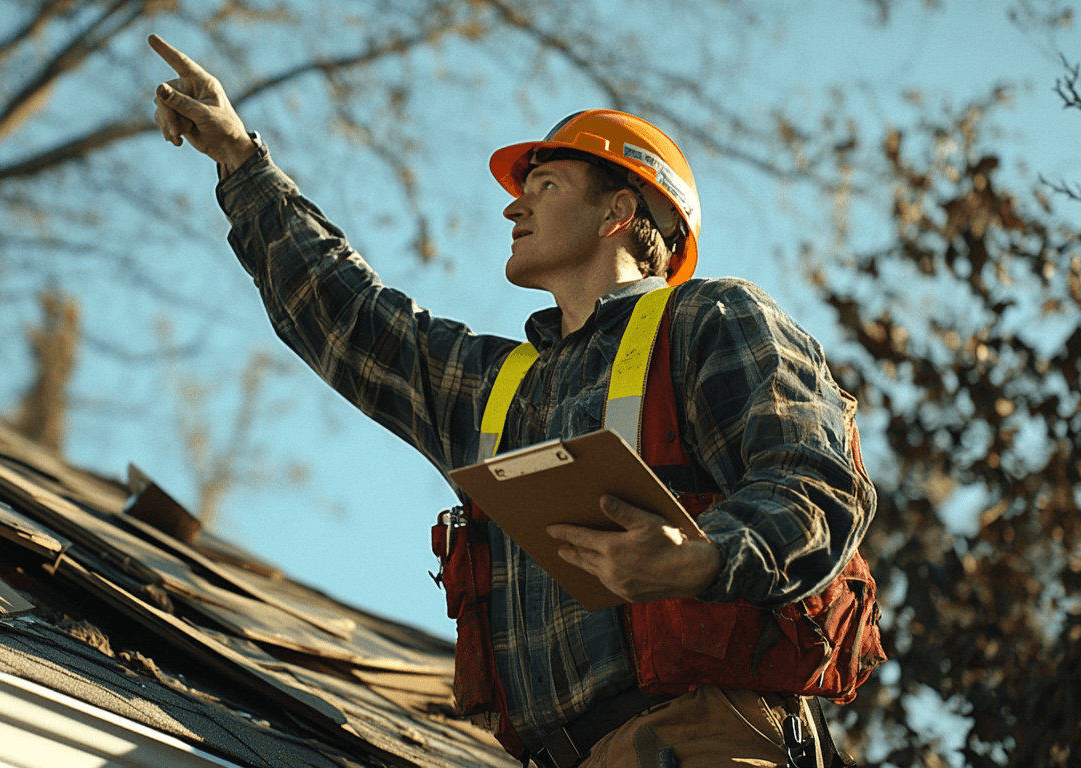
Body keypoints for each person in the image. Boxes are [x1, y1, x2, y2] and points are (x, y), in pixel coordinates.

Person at [147, 34, 881, 768]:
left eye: (544, 187)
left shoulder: (711, 322)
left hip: (701, 739)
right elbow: (352, 318)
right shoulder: (504, 388)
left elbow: (816, 486)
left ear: (617, 211)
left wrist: (700, 558)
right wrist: (242, 161)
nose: (513, 210)